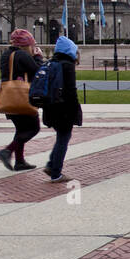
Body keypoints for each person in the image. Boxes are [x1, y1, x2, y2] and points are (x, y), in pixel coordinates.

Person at [0, 28, 42, 171]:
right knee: (33, 128)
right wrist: (38, 56)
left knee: (21, 129)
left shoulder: (6, 55)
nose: (33, 48)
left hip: (9, 98)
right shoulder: (22, 55)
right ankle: (7, 151)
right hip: (22, 97)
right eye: (31, 45)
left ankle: (20, 161)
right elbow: (38, 71)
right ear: (25, 45)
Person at [42, 35, 82, 183]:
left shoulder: (51, 63)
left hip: (50, 107)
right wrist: (76, 111)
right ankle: (56, 173)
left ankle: (52, 165)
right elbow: (71, 91)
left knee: (61, 137)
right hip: (64, 109)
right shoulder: (67, 65)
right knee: (63, 139)